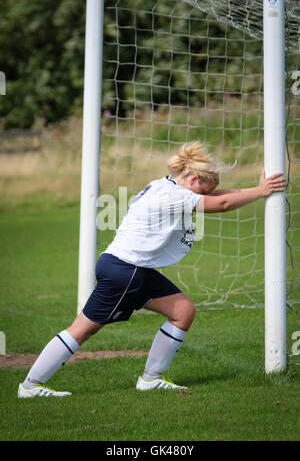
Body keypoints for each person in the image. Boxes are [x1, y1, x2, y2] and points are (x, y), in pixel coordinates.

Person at [17, 142, 286, 397]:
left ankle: (151, 379)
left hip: (133, 269)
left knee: (182, 311)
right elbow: (223, 204)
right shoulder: (174, 197)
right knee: (83, 329)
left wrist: (257, 188)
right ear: (192, 180)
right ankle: (31, 385)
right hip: (125, 270)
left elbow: (217, 196)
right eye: (203, 191)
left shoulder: (164, 185)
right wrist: (262, 192)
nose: (205, 196)